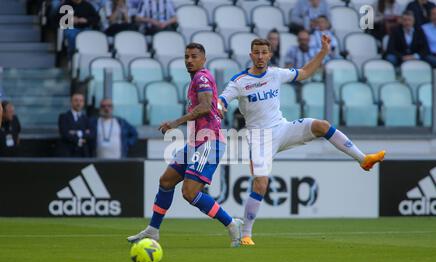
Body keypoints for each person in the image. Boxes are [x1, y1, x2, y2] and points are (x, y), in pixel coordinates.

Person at [217, 36, 386, 246]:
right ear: (251, 55)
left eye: (264, 53)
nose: (260, 57)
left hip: (282, 128)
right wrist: (220, 105)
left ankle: (363, 159)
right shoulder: (240, 81)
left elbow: (305, 73)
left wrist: (323, 52)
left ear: (270, 55)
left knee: (321, 125)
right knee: (261, 183)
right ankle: (246, 234)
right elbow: (223, 99)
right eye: (256, 53)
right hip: (260, 137)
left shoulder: (276, 74)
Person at [127, 43, 243, 247]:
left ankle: (232, 224)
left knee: (189, 193)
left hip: (209, 142)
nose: (189, 60)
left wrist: (175, 123)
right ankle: (153, 231)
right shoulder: (196, 80)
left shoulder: (202, 77)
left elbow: (206, 107)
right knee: (166, 181)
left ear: (203, 59)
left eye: (194, 56)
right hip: (195, 143)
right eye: (187, 56)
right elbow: (212, 104)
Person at [58, 93, 94, 157]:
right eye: (76, 100)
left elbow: (91, 135)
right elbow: (65, 134)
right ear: (71, 102)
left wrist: (75, 132)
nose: (78, 103)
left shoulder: (87, 118)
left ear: (83, 103)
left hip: (84, 154)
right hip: (68, 153)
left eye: (81, 101)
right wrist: (82, 135)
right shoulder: (63, 117)